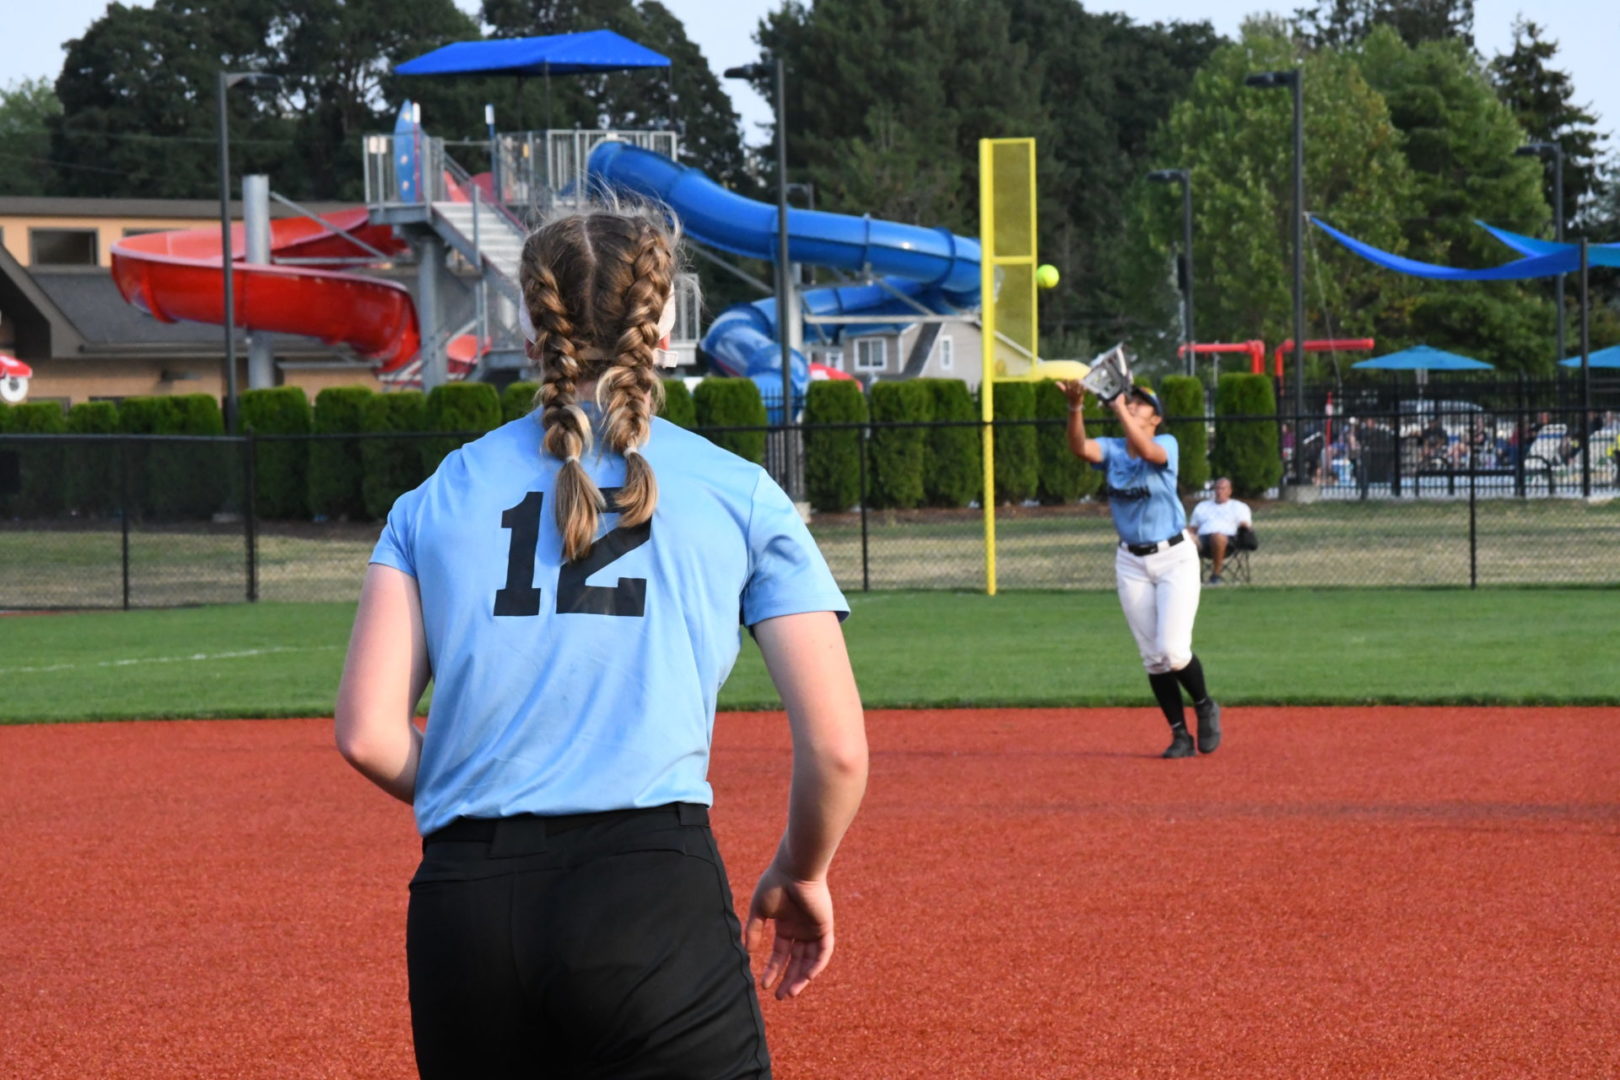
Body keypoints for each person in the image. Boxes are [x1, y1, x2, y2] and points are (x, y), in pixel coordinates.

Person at [335, 204, 869, 1080]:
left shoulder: (436, 495)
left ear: (531, 326)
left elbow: (367, 734)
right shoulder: (739, 492)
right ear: (661, 328)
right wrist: (800, 871)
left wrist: (491, 793)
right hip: (648, 894)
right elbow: (838, 751)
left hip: (466, 910)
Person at [1056, 379, 1222, 759]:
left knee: (1173, 651)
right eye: (1130, 400)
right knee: (1153, 658)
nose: (1132, 404)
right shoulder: (1113, 450)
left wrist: (1117, 408)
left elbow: (1147, 450)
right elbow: (1079, 447)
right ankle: (1179, 735)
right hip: (1131, 561)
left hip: (1174, 557)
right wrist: (1075, 408)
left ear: (1156, 418)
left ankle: (1204, 704)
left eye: (1141, 403)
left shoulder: (1167, 444)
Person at [1187, 477, 1254, 585]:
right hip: (1203, 540)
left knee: (1217, 537)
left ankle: (1215, 576)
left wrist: (1244, 526)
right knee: (1185, 539)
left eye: (1223, 488)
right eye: (1217, 488)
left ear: (1230, 491)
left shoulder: (1239, 507)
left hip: (1229, 541)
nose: (1219, 491)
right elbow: (1193, 528)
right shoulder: (1202, 506)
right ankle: (1187, 577)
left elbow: (1246, 526)